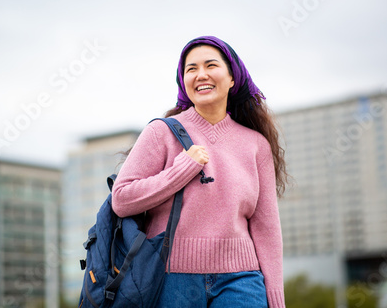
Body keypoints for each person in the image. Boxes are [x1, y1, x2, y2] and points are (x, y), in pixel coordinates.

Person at [112, 35, 287, 307]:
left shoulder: (256, 145)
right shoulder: (161, 132)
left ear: (232, 78)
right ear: (183, 81)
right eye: (191, 69)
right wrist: (182, 169)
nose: (200, 74)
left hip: (242, 281)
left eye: (210, 65)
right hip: (171, 279)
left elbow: (267, 228)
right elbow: (122, 199)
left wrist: (276, 300)